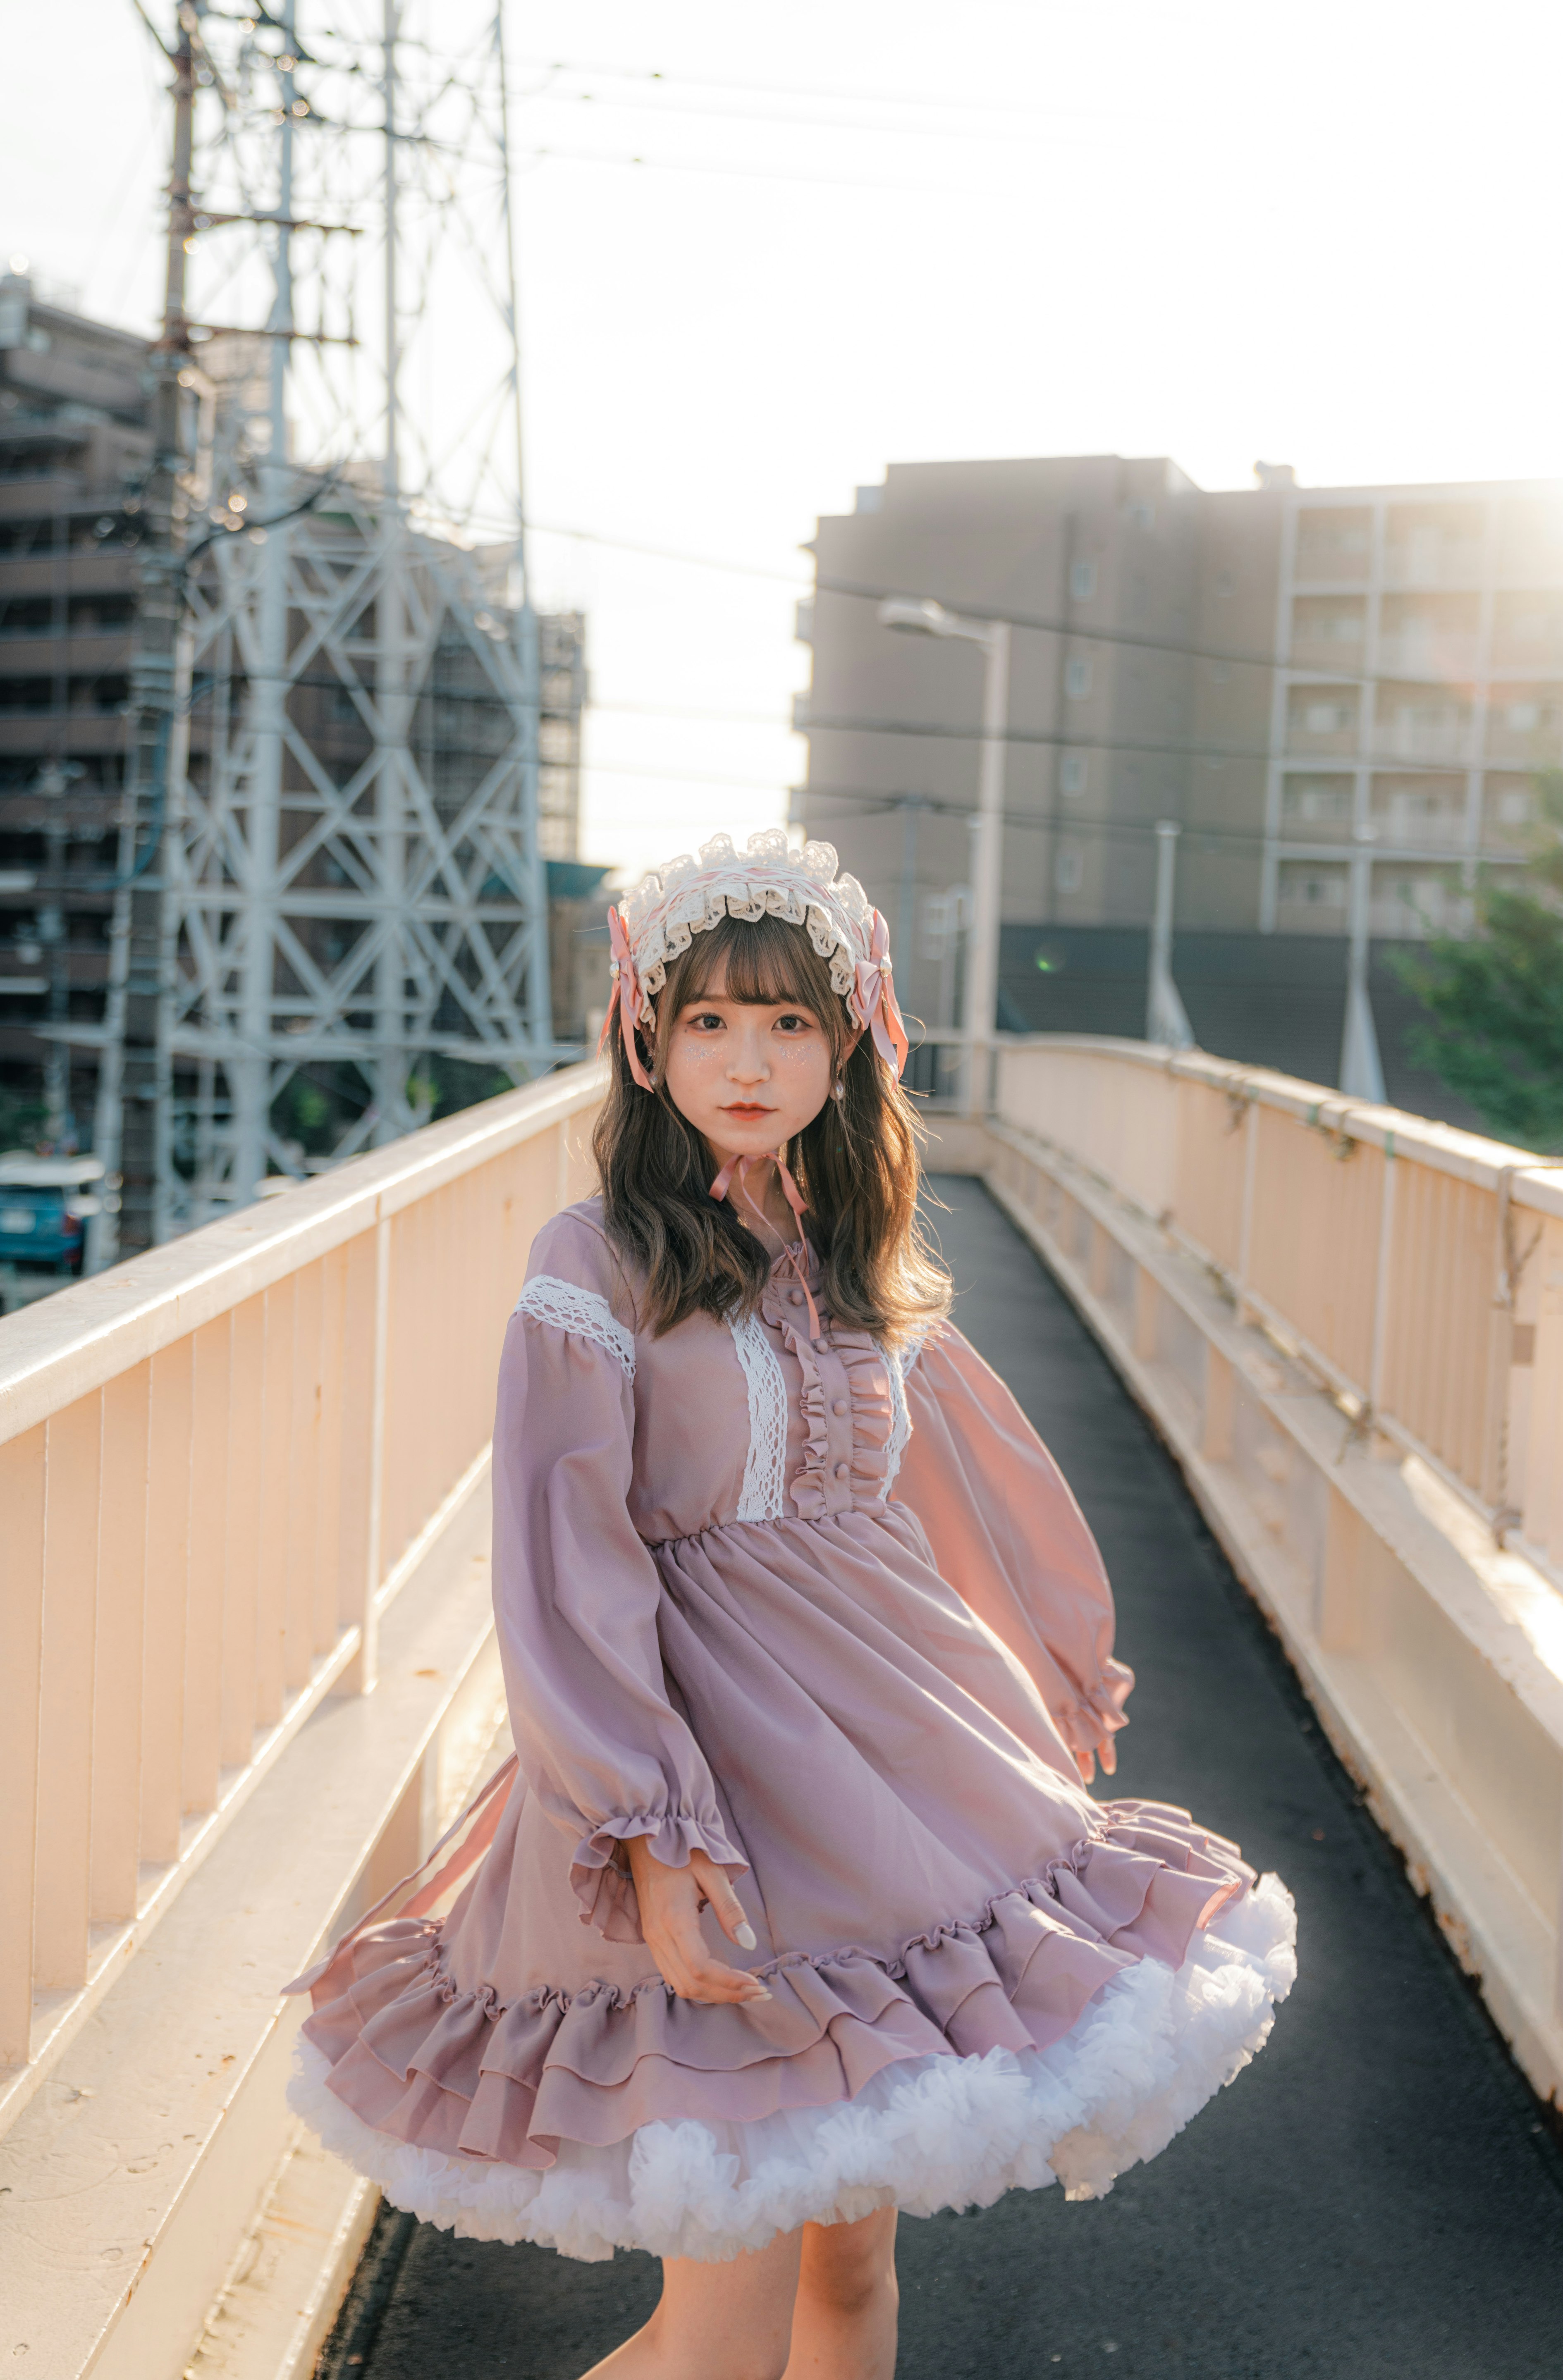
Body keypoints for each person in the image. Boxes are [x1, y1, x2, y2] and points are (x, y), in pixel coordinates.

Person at [285, 831, 1296, 2380]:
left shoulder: (848, 1265)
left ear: (847, 1048)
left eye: (787, 1025)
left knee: (849, 2282)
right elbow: (568, 1556)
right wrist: (650, 1827)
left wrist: (1056, 1668)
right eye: (709, 1022)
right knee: (718, 2339)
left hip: (890, 1795)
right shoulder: (598, 1263)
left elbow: (958, 1499)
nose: (748, 1061)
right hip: (714, 1802)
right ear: (649, 1039)